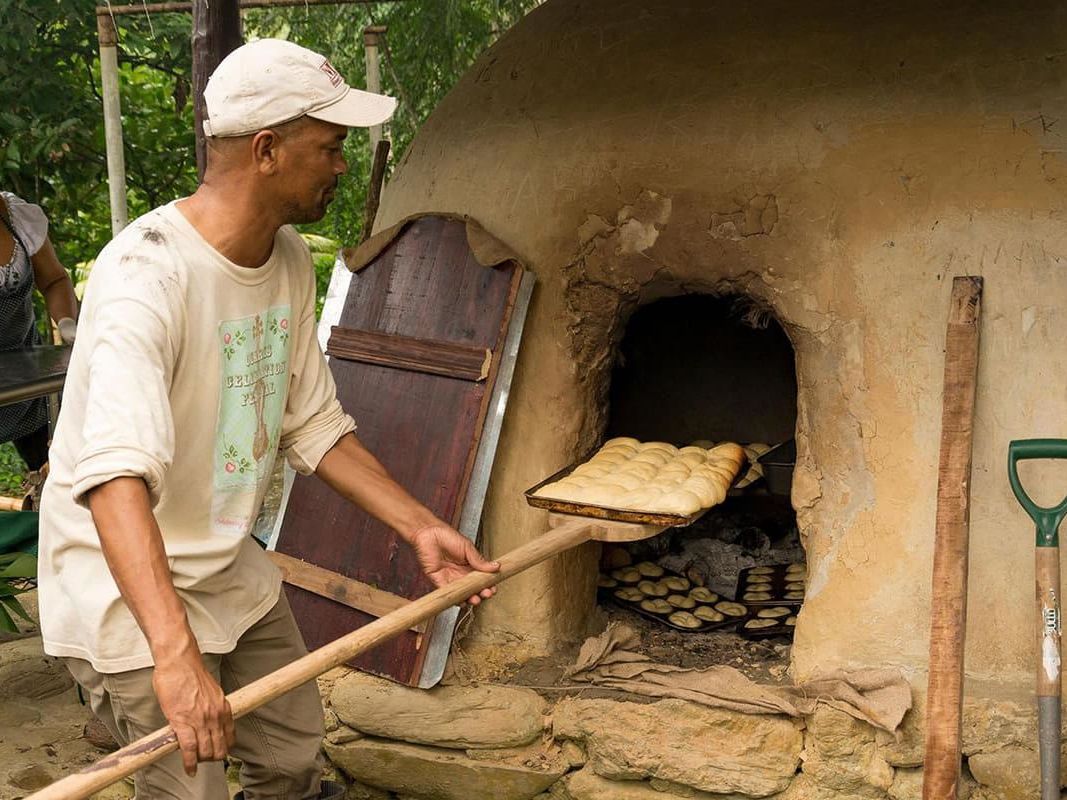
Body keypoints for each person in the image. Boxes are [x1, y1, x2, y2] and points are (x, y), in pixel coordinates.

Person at [37, 39, 499, 800]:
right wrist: (175, 656)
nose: (342, 165)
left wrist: (420, 526)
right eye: (330, 147)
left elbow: (312, 423)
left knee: (289, 761)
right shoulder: (146, 275)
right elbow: (114, 478)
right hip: (130, 594)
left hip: (227, 569)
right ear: (266, 150)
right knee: (190, 791)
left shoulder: (284, 257)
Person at [0, 191, 78, 483]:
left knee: (61, 473)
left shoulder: (16, 217)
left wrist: (67, 323)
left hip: (28, 381)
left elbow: (55, 280)